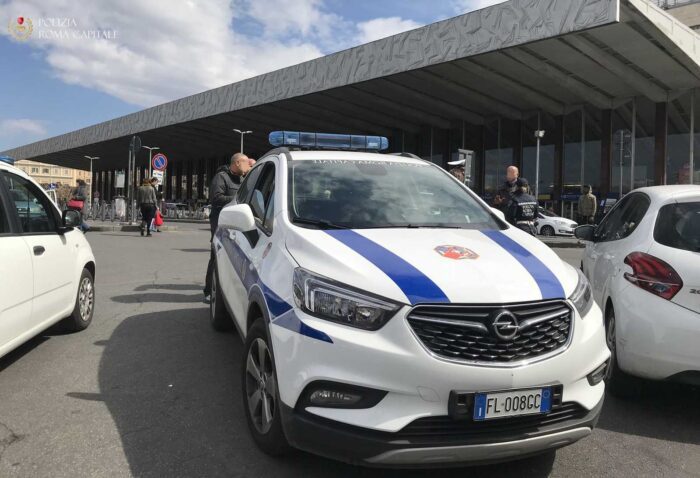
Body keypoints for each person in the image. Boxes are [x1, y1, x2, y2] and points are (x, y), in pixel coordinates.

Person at [203, 153, 253, 301]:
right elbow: (216, 198)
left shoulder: (243, 179)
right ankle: (208, 291)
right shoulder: (221, 177)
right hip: (221, 222)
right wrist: (239, 199)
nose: (249, 166)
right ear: (237, 163)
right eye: (246, 163)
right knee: (216, 256)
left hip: (238, 223)